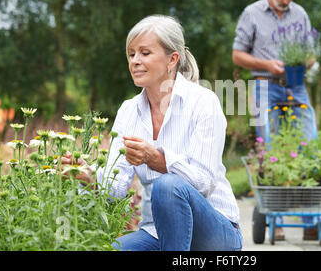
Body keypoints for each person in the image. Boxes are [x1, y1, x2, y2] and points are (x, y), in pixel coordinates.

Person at [62, 15, 242, 251]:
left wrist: (157, 159)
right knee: (110, 249)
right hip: (157, 233)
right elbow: (116, 188)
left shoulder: (203, 102)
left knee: (167, 186)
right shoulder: (128, 111)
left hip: (216, 232)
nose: (135, 61)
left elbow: (204, 182)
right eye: (131, 54)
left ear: (172, 59)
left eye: (145, 53)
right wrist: (88, 176)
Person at [232, 0, 318, 241]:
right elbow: (237, 55)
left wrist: (304, 62)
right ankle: (275, 217)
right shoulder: (252, 13)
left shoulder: (300, 14)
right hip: (264, 86)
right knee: (268, 147)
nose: (286, 1)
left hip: (295, 86)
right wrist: (267, 64)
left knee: (309, 143)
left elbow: (310, 53)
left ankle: (309, 215)